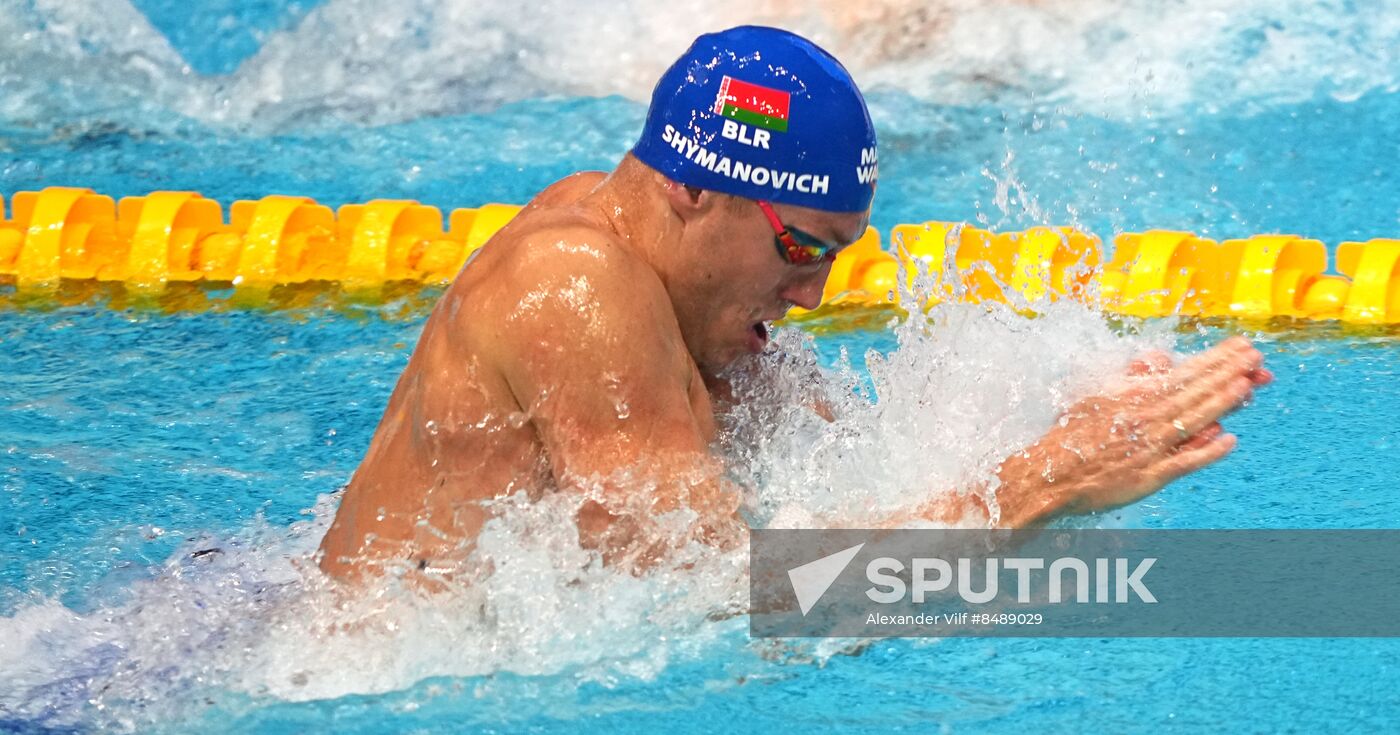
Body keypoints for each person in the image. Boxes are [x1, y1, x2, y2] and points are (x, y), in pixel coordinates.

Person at [317, 26, 1270, 583]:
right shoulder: (575, 289)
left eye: (832, 255)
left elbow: (851, 466)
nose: (811, 292)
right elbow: (732, 597)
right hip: (343, 684)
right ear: (694, 189)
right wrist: (1040, 486)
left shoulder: (673, 288)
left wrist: (1066, 421)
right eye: (798, 248)